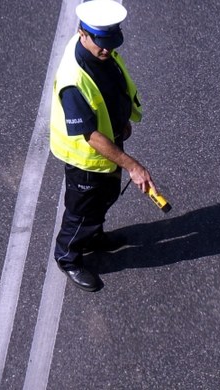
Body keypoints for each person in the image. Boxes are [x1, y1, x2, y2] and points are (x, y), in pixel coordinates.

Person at [49, 0, 156, 292]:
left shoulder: (98, 51)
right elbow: (91, 137)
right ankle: (68, 257)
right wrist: (133, 166)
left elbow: (110, 87)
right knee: (81, 212)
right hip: (88, 160)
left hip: (110, 146)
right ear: (82, 33)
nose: (108, 50)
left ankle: (93, 237)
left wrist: (122, 119)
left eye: (111, 42)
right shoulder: (73, 81)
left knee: (105, 197)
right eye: (101, 42)